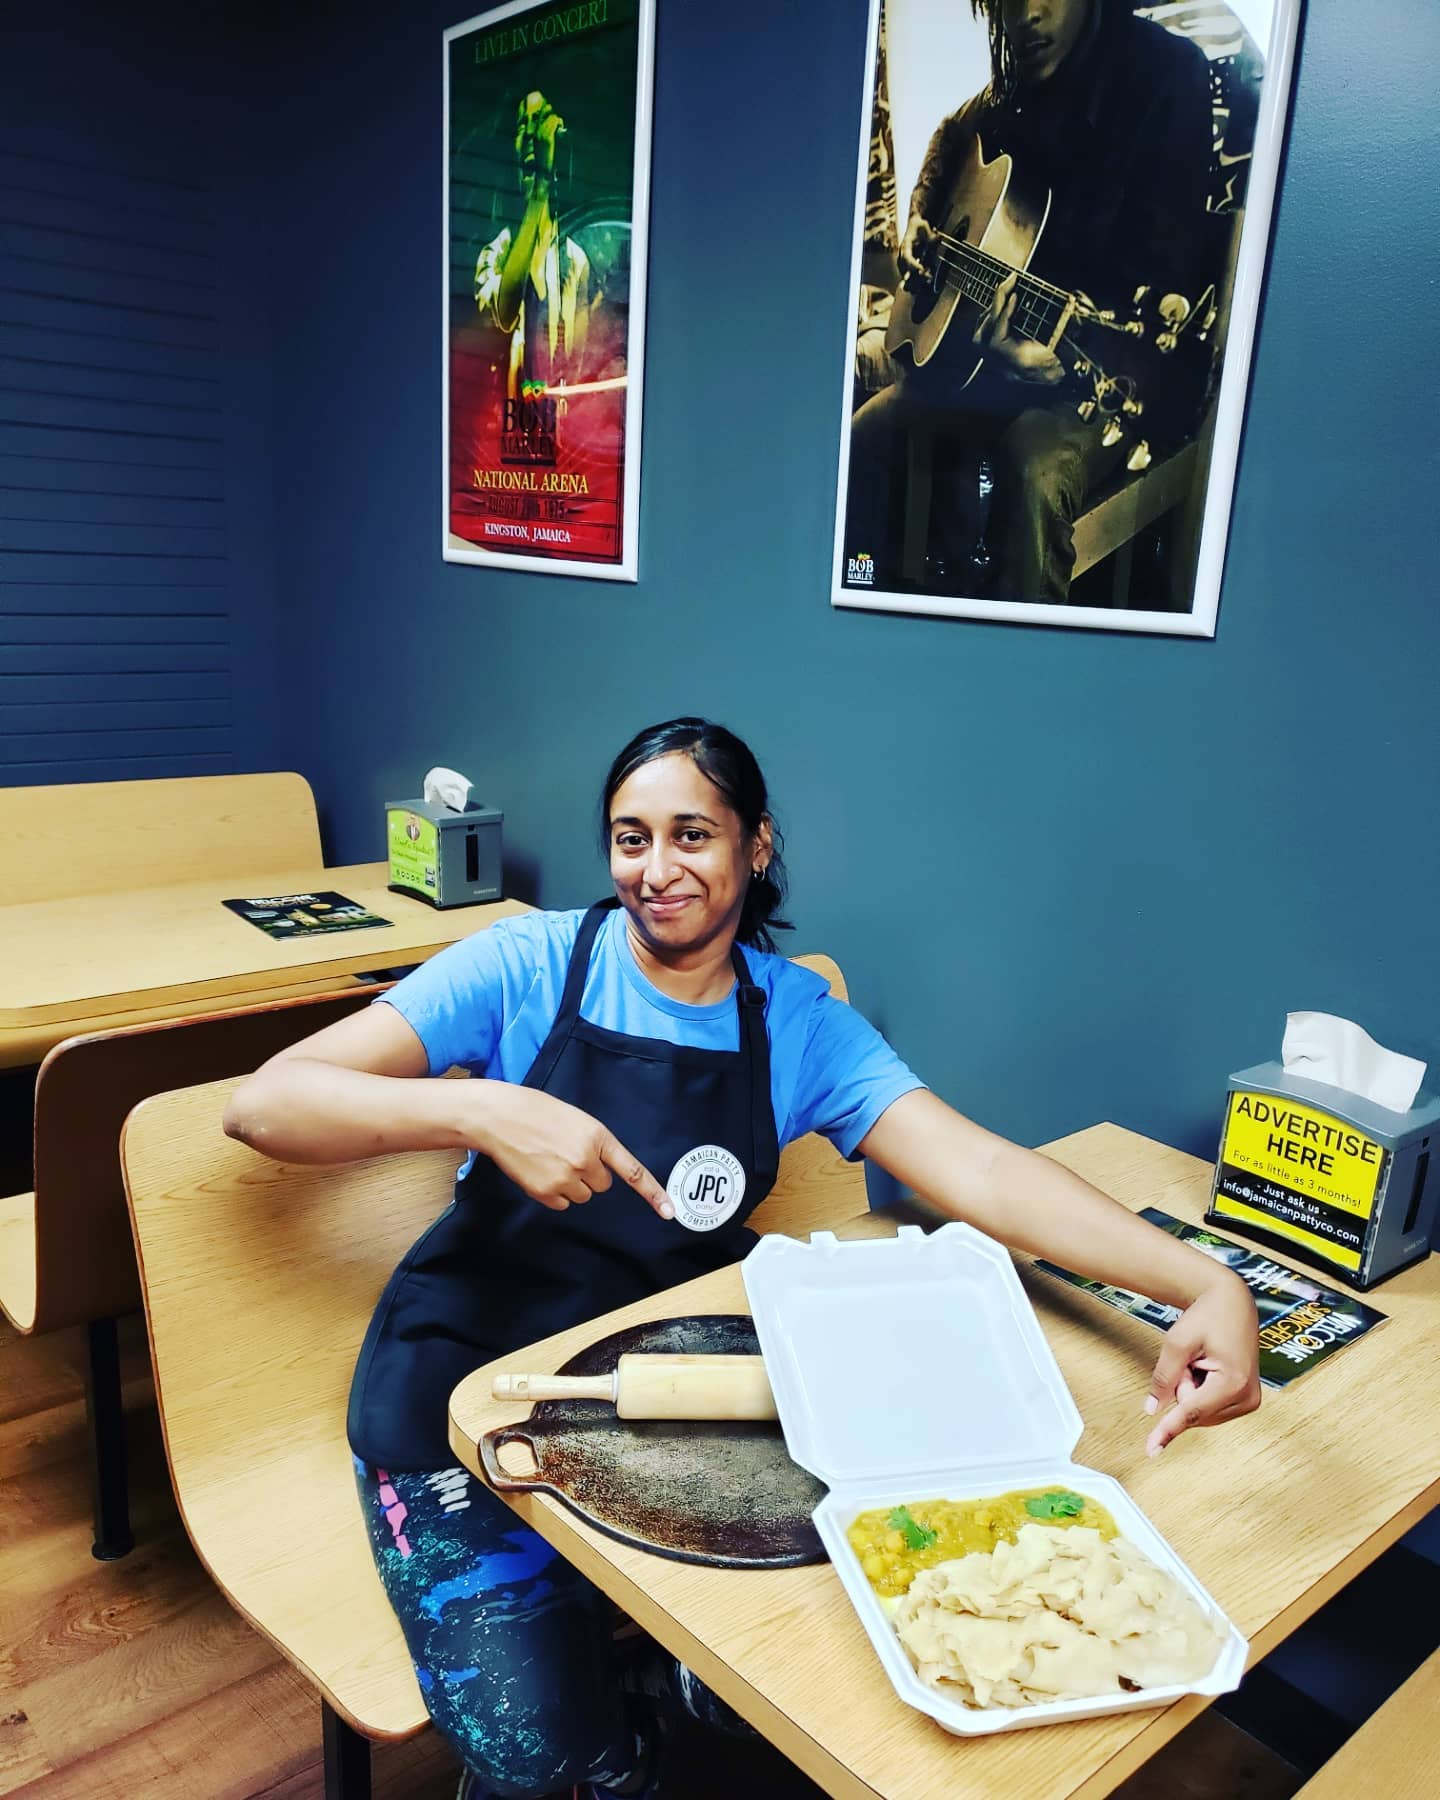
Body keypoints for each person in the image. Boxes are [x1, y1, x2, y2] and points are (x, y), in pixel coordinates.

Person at [224, 717, 1260, 1799]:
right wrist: (482, 1110)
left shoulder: (797, 1023)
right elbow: (267, 1105)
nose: (655, 870)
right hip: (468, 1377)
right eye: (630, 839)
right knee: (533, 1753)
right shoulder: (527, 963)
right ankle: (620, 1754)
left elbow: (985, 1171)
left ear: (755, 846)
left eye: (692, 835)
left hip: (680, 1390)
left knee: (785, 1672)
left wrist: (1202, 1282)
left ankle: (667, 1700)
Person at [846, 0, 1217, 602]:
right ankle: (867, 612)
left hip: (1111, 373)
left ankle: (1019, 651)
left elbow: (1165, 278)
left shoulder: (1168, 76)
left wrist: (1062, 361)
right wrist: (918, 216)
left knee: (1032, 469)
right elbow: (950, 134)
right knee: (865, 437)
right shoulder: (1014, 90)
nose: (1026, 15)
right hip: (1002, 358)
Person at [475, 89, 594, 417]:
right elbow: (505, 313)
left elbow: (579, 367)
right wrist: (540, 186)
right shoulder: (495, 254)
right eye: (521, 125)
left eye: (540, 120)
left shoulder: (576, 261)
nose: (531, 134)